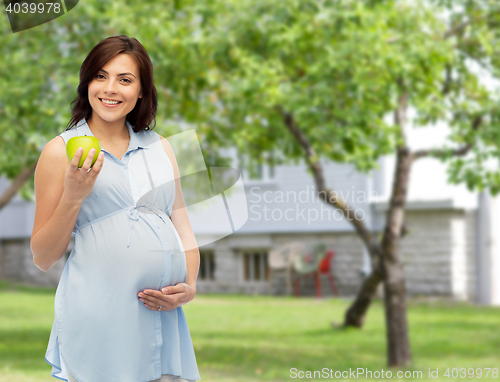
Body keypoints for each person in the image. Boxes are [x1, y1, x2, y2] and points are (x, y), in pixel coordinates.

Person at [30, 35, 201, 382]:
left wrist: (190, 284)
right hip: (100, 323)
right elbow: (43, 257)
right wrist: (74, 195)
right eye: (101, 76)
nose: (111, 89)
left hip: (162, 318)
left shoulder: (162, 148)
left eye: (125, 80)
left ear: (141, 91)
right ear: (87, 83)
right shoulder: (59, 152)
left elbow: (182, 226)